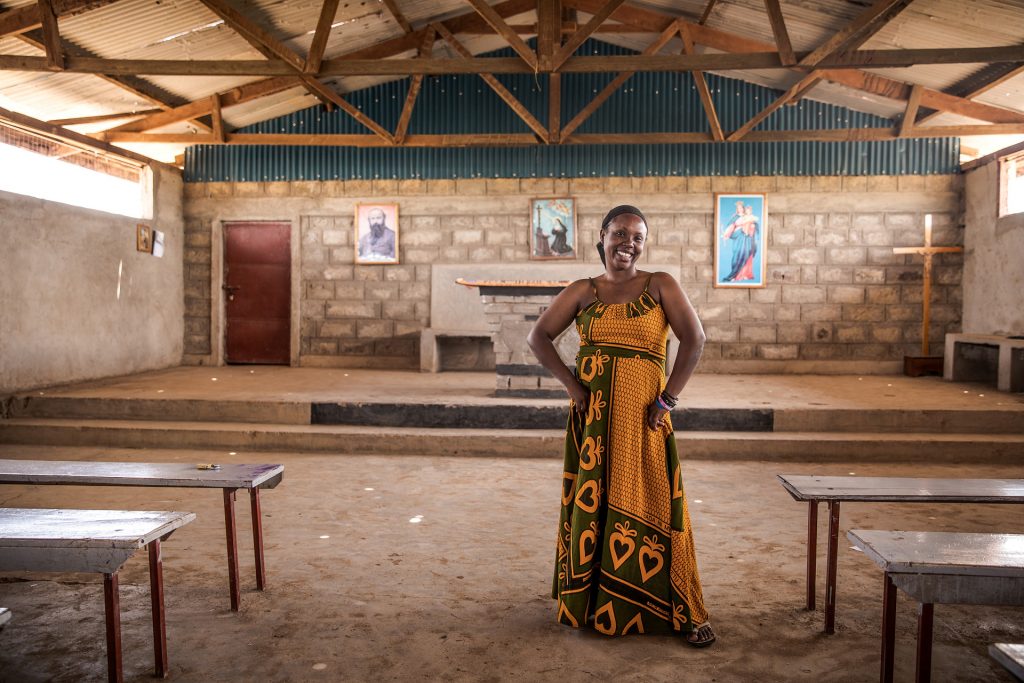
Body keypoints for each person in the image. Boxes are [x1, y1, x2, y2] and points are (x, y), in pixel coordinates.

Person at [527, 205, 714, 647]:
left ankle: (681, 608)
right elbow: (539, 337)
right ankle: (594, 602)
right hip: (593, 422)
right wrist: (574, 388)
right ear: (603, 236)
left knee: (654, 501)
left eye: (637, 236)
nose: (628, 243)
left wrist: (668, 398)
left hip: (643, 417)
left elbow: (695, 339)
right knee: (595, 501)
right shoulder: (582, 290)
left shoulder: (660, 284)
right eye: (619, 233)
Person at [722, 201, 758, 282]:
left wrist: (751, 227)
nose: (740, 209)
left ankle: (743, 274)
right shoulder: (735, 217)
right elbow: (731, 226)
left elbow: (753, 224)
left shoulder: (747, 216)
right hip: (738, 237)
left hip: (746, 238)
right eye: (738, 208)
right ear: (737, 209)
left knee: (746, 254)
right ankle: (734, 275)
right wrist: (726, 234)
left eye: (741, 208)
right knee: (737, 255)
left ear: (743, 208)